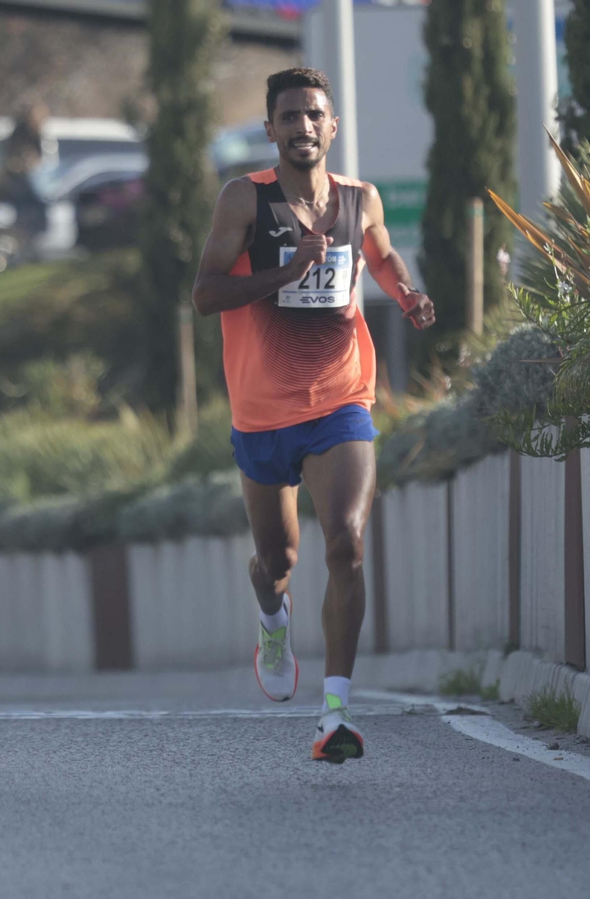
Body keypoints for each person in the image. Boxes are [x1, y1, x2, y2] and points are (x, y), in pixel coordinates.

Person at [191, 67, 437, 763]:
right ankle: (273, 617)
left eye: (313, 116)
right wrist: (283, 272)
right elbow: (206, 294)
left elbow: (382, 257)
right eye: (289, 117)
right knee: (280, 558)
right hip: (262, 411)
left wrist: (409, 294)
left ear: (332, 128)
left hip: (340, 399)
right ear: (270, 130)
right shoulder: (244, 200)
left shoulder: (360, 199)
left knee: (347, 543)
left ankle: (334, 714)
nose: (302, 127)